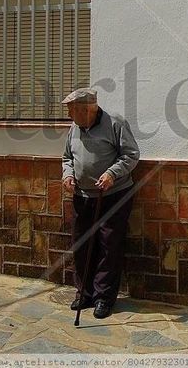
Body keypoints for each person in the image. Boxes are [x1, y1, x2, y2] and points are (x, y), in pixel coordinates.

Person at [61, 87, 140, 319]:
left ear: (87, 110)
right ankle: (84, 293)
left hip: (113, 195)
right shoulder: (74, 127)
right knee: (82, 244)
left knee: (109, 246)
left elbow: (131, 154)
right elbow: (67, 157)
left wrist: (112, 174)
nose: (69, 115)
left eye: (71, 110)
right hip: (82, 196)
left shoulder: (115, 123)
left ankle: (103, 298)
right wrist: (67, 174)